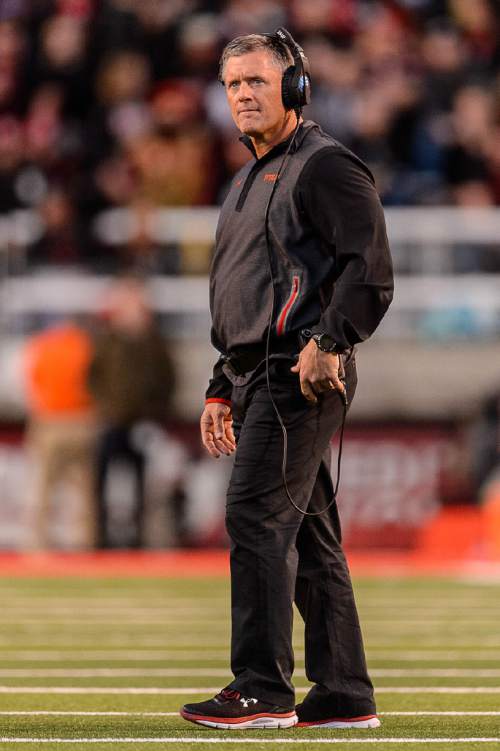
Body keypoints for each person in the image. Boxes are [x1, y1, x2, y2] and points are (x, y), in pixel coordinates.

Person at [180, 30, 393, 731]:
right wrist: (220, 382)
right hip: (257, 376)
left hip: (297, 374)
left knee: (255, 517)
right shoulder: (246, 177)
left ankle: (262, 687)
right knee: (310, 537)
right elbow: (245, 294)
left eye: (257, 81)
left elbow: (369, 266)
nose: (243, 94)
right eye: (233, 84)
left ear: (295, 87)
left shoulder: (326, 166)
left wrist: (331, 340)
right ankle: (342, 691)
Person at [87, 276, 175, 548]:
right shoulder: (107, 340)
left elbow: (167, 380)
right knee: (100, 482)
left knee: (143, 486)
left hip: (142, 424)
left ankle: (139, 540)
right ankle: (100, 539)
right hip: (113, 421)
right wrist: (105, 408)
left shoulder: (154, 342)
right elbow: (92, 378)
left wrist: (154, 414)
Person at [23, 319, 97, 549]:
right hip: (81, 420)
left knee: (43, 486)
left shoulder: (42, 346)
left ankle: (38, 543)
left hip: (50, 420)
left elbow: (32, 382)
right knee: (83, 488)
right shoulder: (86, 346)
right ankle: (83, 543)